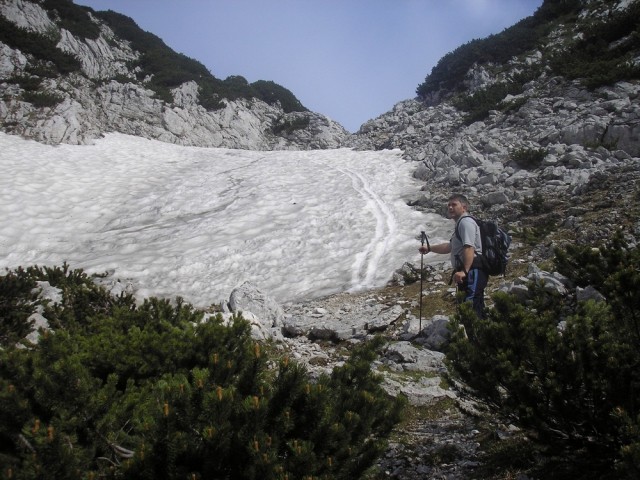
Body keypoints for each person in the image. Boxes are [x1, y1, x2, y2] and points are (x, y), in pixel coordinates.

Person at [419, 194, 487, 318]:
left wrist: (464, 271)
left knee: (471, 305)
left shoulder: (466, 222)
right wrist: (429, 248)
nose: (450, 207)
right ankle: (479, 333)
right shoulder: (460, 224)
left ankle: (478, 335)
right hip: (468, 271)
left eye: (454, 205)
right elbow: (450, 247)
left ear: (464, 207)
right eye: (449, 205)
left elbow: (469, 247)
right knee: (470, 305)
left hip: (472, 270)